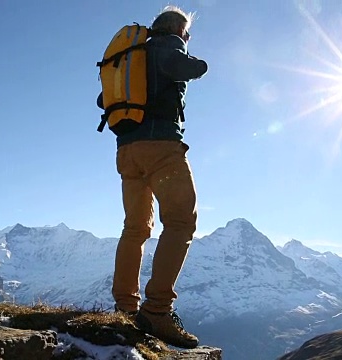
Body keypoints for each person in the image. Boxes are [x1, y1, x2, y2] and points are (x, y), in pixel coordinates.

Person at [97, 6, 207, 349]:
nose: (186, 38)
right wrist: (198, 63)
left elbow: (105, 99)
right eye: (186, 32)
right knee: (180, 222)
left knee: (135, 228)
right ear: (175, 27)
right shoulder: (168, 45)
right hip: (161, 147)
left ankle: (125, 307)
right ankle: (157, 310)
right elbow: (183, 68)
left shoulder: (131, 56)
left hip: (126, 151)